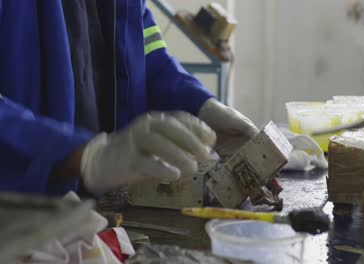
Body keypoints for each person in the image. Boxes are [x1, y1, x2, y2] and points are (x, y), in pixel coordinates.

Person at [0, 0, 258, 196]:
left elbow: (145, 51)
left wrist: (201, 106)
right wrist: (78, 156)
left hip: (108, 206)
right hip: (21, 213)